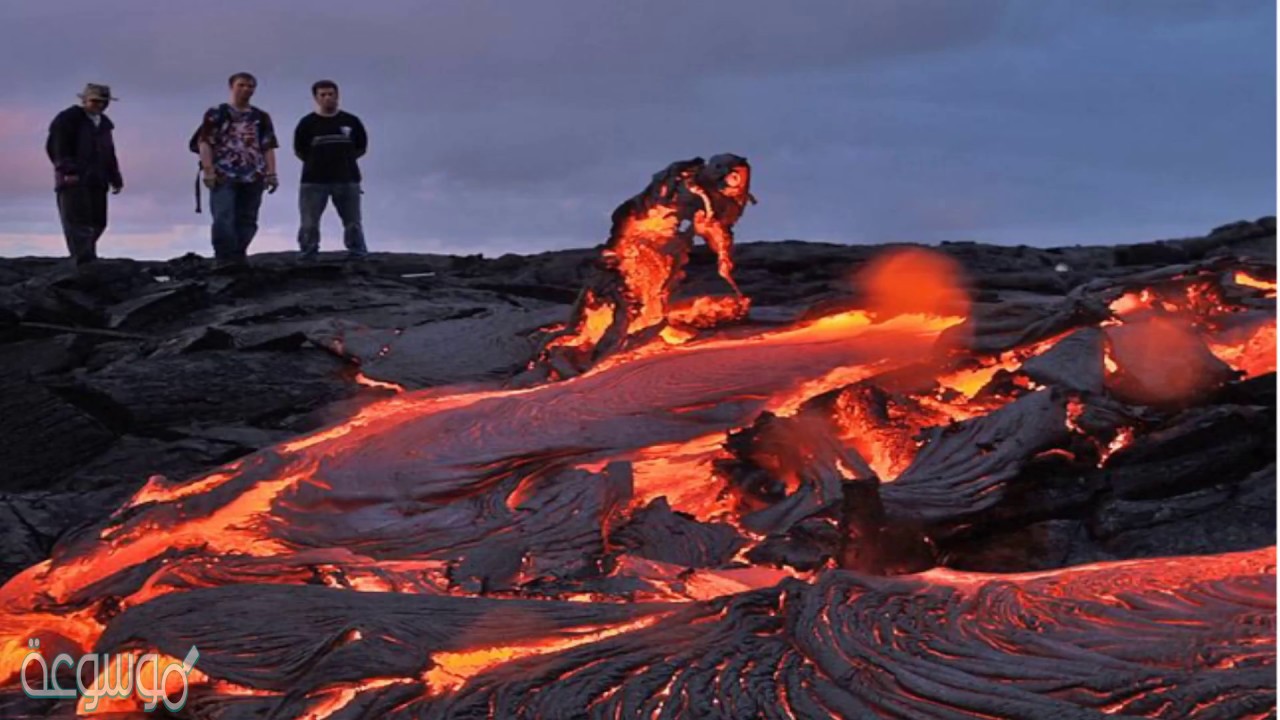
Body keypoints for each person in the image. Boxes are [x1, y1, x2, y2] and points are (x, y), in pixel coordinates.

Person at [196, 72, 279, 270]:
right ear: (231, 87)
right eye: (241, 85)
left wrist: (271, 173)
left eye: (250, 86)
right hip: (224, 174)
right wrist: (208, 170)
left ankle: (239, 255)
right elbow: (205, 142)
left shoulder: (261, 117)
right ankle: (224, 258)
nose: (246, 89)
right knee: (223, 217)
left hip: (254, 174)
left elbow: (268, 146)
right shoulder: (216, 113)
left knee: (248, 218)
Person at [45, 83, 124, 267]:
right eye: (96, 101)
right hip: (74, 180)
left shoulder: (104, 125)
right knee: (77, 222)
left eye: (104, 102)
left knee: (98, 221)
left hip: (98, 179)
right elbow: (57, 147)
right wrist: (68, 171)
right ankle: (83, 261)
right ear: (84, 100)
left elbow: (109, 153)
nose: (100, 105)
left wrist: (115, 177)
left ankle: (87, 258)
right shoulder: (67, 119)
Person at [293, 79, 369, 261]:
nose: (328, 98)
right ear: (316, 98)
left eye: (331, 94)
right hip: (313, 180)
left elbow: (361, 147)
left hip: (347, 178)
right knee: (309, 223)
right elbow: (299, 149)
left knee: (353, 221)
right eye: (323, 95)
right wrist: (317, 161)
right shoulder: (307, 123)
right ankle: (308, 254)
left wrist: (344, 160)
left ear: (337, 95)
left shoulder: (351, 121)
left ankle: (357, 253)